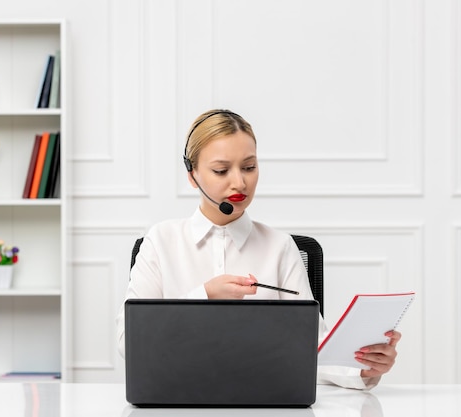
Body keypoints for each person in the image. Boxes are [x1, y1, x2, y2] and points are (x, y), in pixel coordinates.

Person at [116, 109, 401, 389]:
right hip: (174, 402)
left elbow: (313, 351)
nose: (239, 182)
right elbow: (129, 342)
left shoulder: (280, 246)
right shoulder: (161, 241)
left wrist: (364, 369)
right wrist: (205, 295)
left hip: (267, 402)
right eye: (221, 170)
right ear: (192, 175)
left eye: (249, 167)